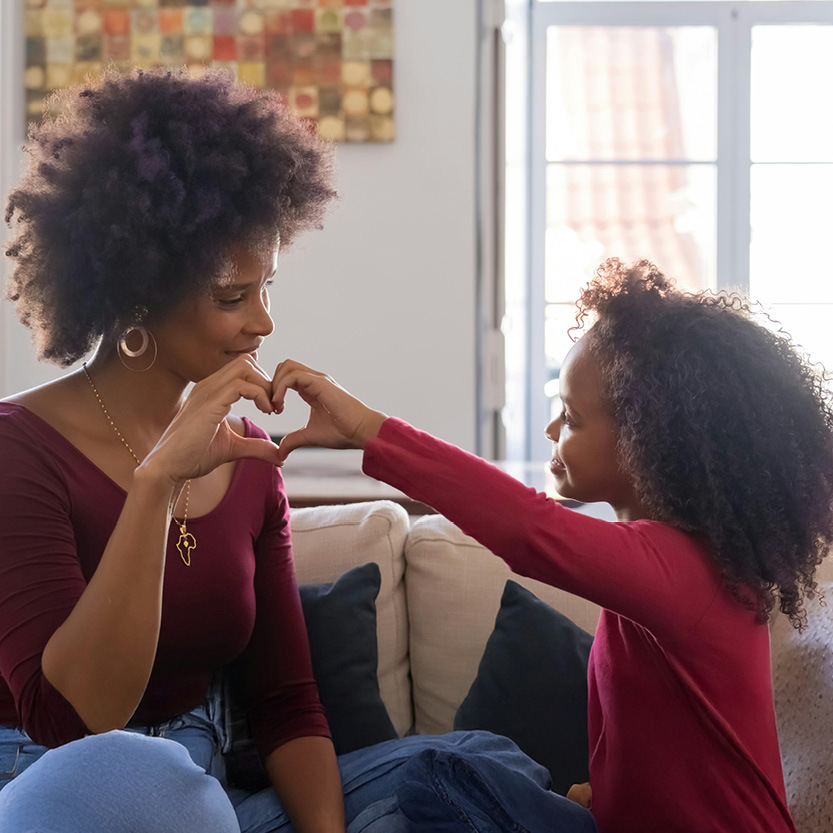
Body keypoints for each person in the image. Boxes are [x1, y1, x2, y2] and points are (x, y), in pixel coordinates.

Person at [0, 68, 597, 833]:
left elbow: (286, 702)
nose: (262, 323)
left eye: (266, 287)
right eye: (230, 297)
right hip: (60, 791)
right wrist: (156, 485)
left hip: (209, 801)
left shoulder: (248, 460)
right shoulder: (21, 450)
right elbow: (74, 713)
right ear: (137, 293)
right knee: (137, 776)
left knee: (469, 766)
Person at [270, 259, 833, 833]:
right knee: (444, 777)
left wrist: (368, 430)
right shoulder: (662, 562)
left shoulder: (682, 571)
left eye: (573, 418)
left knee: (433, 778)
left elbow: (528, 530)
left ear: (646, 437)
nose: (550, 431)